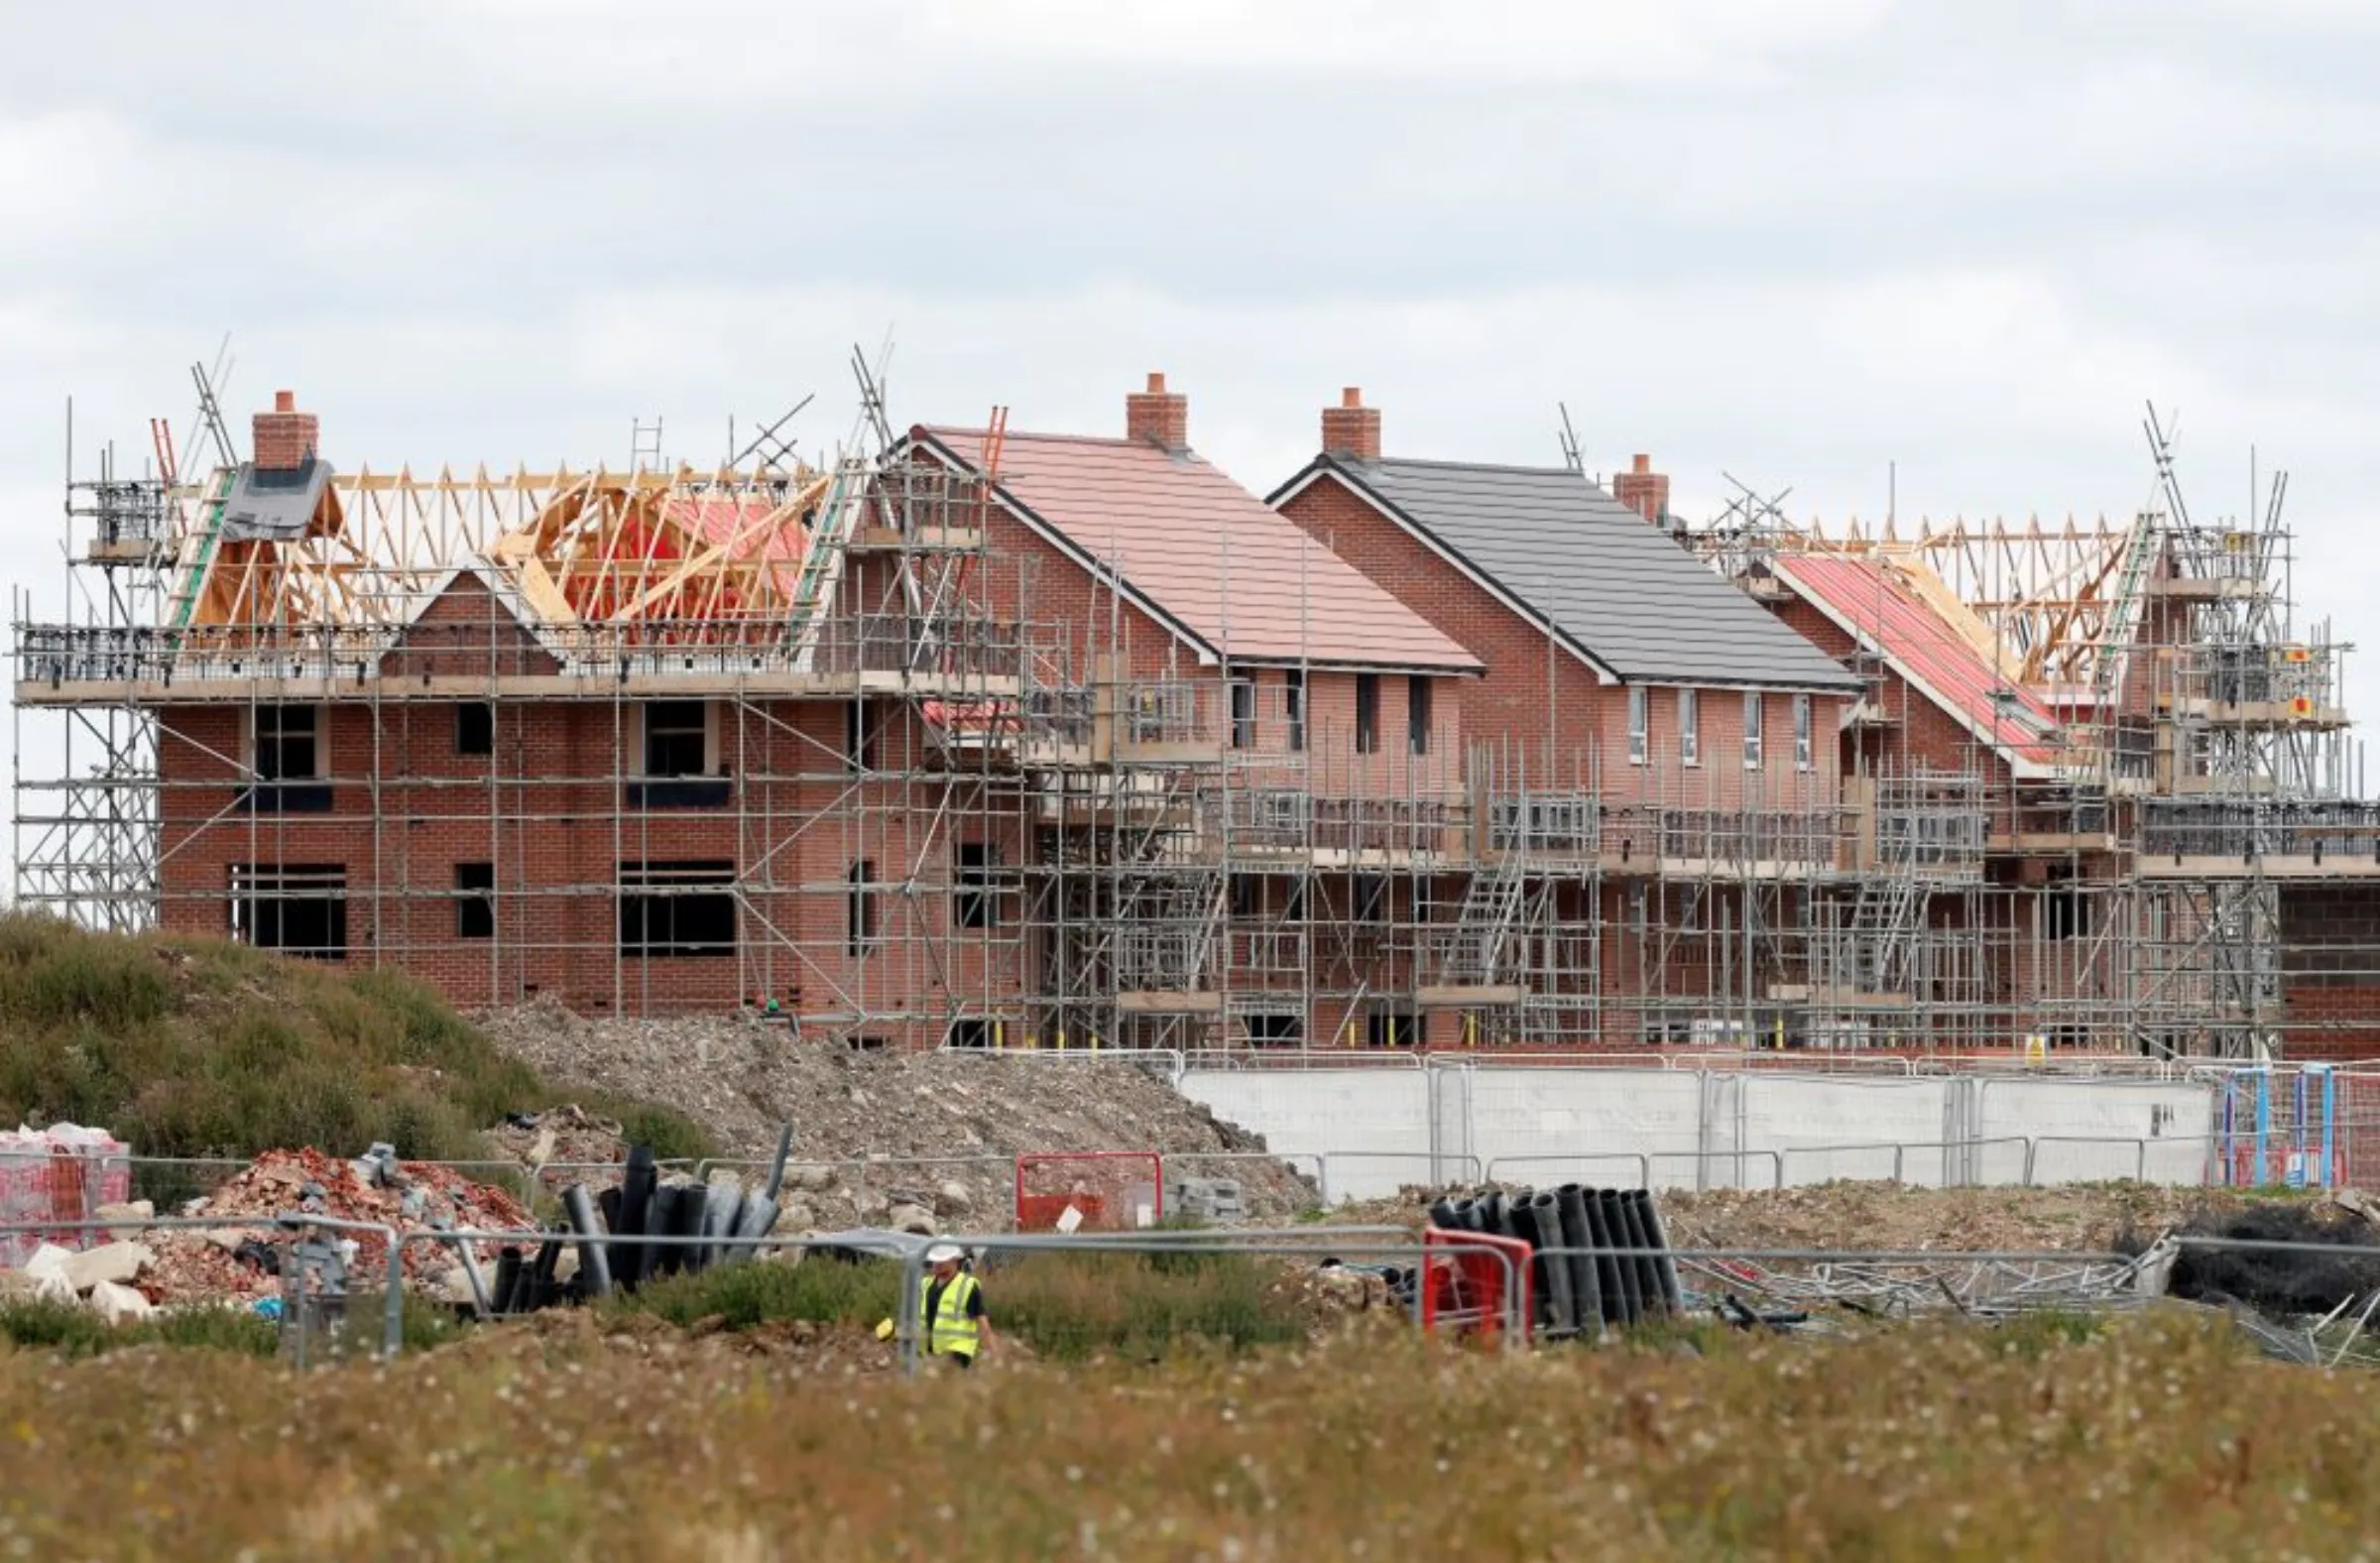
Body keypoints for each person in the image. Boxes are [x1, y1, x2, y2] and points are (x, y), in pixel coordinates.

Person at [920, 1242, 990, 1368]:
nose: (936, 1263)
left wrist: (995, 1356)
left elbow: (982, 1322)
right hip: (930, 1352)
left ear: (955, 1260)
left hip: (958, 1353)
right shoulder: (925, 1284)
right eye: (935, 1259)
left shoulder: (968, 1285)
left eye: (941, 1260)